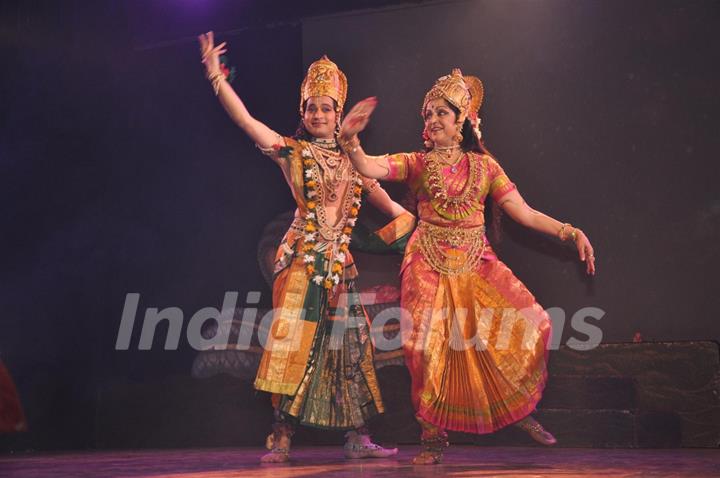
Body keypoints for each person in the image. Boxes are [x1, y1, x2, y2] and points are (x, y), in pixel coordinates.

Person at [338, 69, 596, 464]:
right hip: (427, 262)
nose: (433, 120)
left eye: (442, 112)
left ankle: (520, 410)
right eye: (428, 114)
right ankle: (432, 439)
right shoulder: (417, 163)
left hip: (477, 262)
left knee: (531, 325)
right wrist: (351, 142)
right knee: (424, 348)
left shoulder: (486, 168)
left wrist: (570, 231)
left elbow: (523, 213)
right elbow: (371, 167)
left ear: (461, 120)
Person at [198, 32, 412, 463]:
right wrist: (217, 79)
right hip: (301, 262)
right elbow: (248, 123)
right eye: (311, 107)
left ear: (339, 117)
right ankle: (280, 435)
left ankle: (356, 436)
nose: (318, 113)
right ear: (304, 113)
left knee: (349, 347)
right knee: (293, 346)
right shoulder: (293, 154)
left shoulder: (356, 164)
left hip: (340, 267)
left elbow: (394, 210)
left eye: (326, 107)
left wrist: (417, 236)